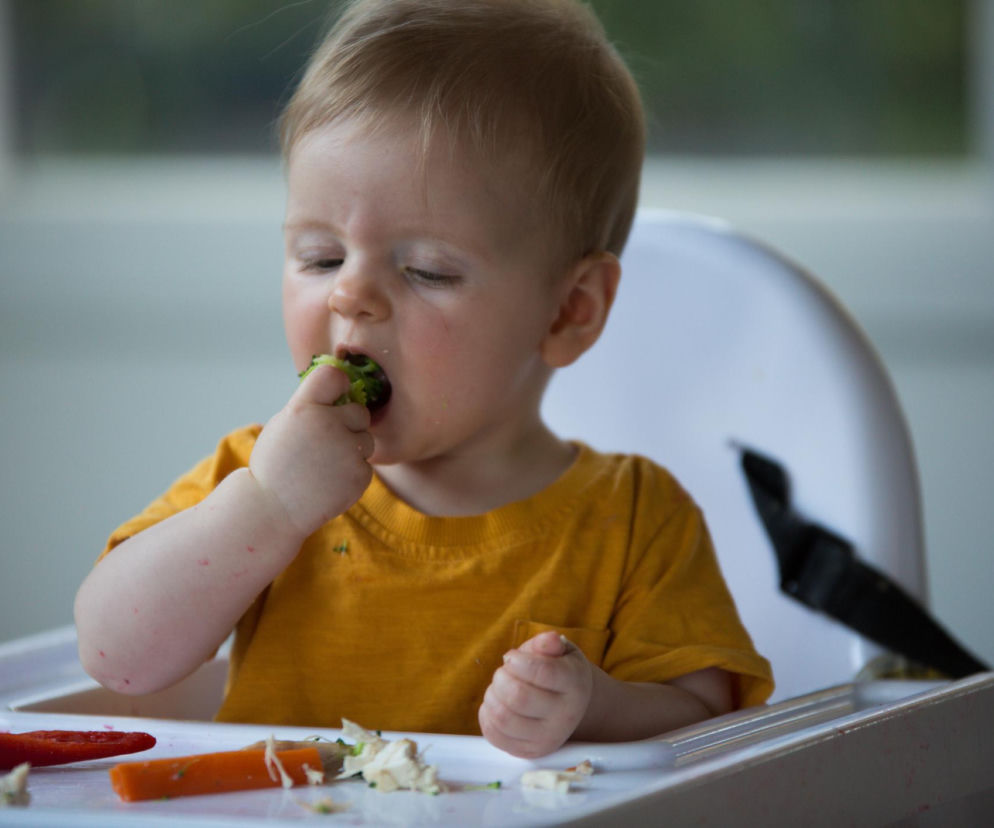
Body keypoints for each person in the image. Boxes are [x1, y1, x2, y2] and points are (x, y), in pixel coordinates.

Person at [74, 0, 773, 759]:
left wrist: (593, 707)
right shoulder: (257, 476)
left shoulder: (635, 519)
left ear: (568, 311)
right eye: (320, 257)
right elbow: (117, 657)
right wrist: (268, 509)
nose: (349, 295)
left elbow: (710, 730)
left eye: (426, 270)